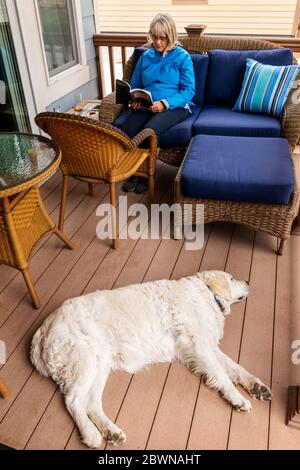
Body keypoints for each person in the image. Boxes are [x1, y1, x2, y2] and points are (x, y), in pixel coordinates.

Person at [116, 13, 195, 193]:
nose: (158, 42)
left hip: (174, 107)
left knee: (149, 129)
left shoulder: (182, 57)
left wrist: (165, 103)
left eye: (162, 38)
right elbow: (135, 84)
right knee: (128, 126)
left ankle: (145, 174)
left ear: (171, 35)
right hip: (147, 103)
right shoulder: (146, 57)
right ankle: (134, 171)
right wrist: (134, 100)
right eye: (154, 37)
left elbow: (189, 91)